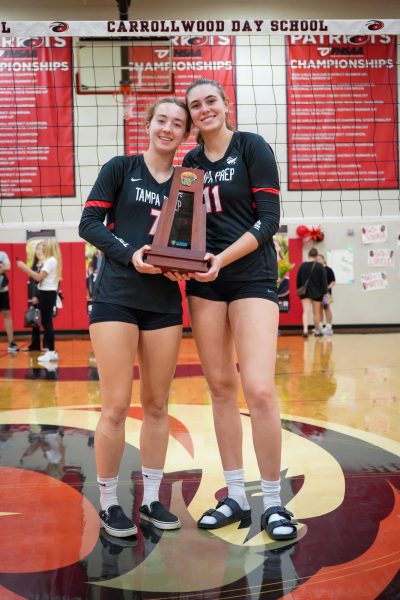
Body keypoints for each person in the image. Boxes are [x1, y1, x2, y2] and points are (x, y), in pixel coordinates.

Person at [181, 78, 297, 540]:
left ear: (225, 105)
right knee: (220, 388)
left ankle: (272, 502)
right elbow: (182, 223)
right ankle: (233, 495)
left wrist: (220, 260)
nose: (205, 109)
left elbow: (270, 220)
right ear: (191, 117)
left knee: (260, 390)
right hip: (205, 285)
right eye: (196, 105)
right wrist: (179, 261)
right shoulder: (189, 163)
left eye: (211, 100)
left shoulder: (251, 147)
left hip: (248, 276)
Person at [78, 97, 191, 538]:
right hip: (116, 299)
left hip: (163, 301)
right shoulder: (121, 169)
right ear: (148, 125)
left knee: (159, 405)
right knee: (116, 405)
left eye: (176, 124)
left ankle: (152, 499)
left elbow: (189, 239)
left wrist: (187, 263)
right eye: (161, 120)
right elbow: (89, 224)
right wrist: (131, 255)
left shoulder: (188, 183)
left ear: (185, 136)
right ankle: (108, 502)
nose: (167, 128)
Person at [17, 237, 62, 362]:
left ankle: (51, 351)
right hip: (46, 293)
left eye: (43, 245)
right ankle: (51, 351)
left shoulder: (50, 261)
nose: (41, 247)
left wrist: (23, 267)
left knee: (46, 323)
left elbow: (37, 277)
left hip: (47, 294)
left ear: (49, 247)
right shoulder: (51, 260)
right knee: (46, 323)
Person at [296, 247, 328, 337]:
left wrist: (299, 289)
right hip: (317, 293)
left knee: (305, 311)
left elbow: (298, 280)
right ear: (316, 255)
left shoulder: (302, 266)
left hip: (305, 293)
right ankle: (317, 331)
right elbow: (324, 281)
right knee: (316, 312)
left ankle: (305, 330)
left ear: (308, 255)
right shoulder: (320, 266)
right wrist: (325, 293)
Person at [23, 240, 44, 352]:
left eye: (41, 248)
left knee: (45, 321)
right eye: (38, 249)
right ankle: (34, 345)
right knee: (34, 321)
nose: (39, 251)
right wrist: (33, 295)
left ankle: (48, 346)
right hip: (37, 296)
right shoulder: (34, 265)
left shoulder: (48, 263)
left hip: (45, 294)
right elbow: (32, 282)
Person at [0, 249, 19, 353]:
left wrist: (4, 267)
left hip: (3, 290)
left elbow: (8, 267)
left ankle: (11, 343)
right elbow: (4, 267)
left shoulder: (2, 254)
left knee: (7, 314)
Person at [317, 253, 335, 335]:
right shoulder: (316, 270)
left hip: (326, 294)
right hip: (317, 294)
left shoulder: (328, 269)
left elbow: (333, 281)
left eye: (319, 259)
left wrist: (326, 289)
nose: (318, 261)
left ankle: (329, 327)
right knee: (319, 309)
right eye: (317, 260)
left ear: (323, 260)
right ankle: (320, 326)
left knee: (326, 308)